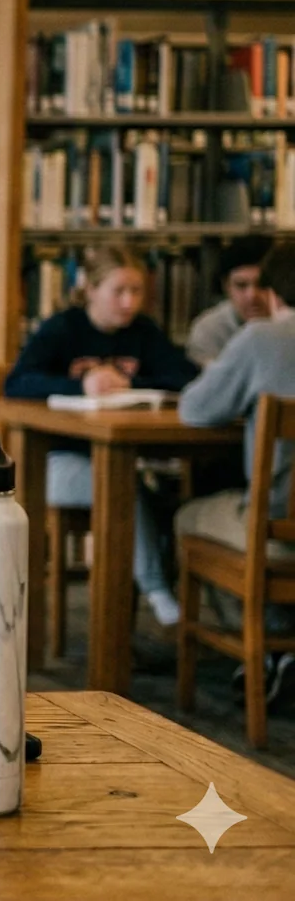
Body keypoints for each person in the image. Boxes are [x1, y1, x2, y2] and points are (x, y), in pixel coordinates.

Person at [3, 245, 199, 625]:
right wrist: (81, 385)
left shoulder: (143, 332)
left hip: (124, 457)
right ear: (91, 289)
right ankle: (157, 588)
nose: (129, 303)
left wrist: (130, 382)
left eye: (136, 291)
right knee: (124, 490)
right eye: (118, 291)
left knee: (161, 496)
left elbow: (187, 377)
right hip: (56, 462)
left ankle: (149, 597)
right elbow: (17, 383)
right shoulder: (63, 328)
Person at [177, 245, 295, 701]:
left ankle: (266, 648)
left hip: (279, 529)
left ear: (271, 294)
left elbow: (195, 409)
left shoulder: (263, 338)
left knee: (189, 517)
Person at [187, 235, 275, 366]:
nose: (252, 296)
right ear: (226, 287)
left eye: (262, 285)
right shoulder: (209, 330)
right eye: (241, 285)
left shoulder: (289, 325)